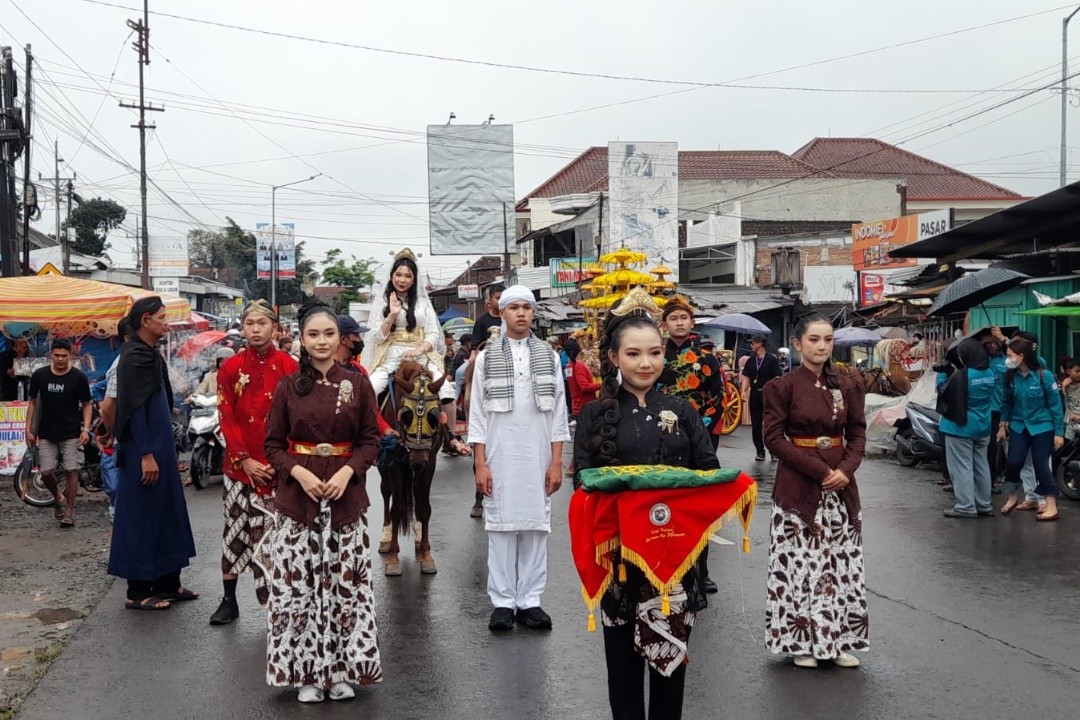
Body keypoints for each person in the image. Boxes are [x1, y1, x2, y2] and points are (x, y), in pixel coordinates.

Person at [573, 291, 721, 719]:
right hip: (621, 561)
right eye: (633, 354)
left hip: (675, 560)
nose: (646, 363)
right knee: (622, 671)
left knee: (669, 666)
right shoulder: (594, 415)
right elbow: (584, 480)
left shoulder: (682, 410)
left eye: (654, 353)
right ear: (614, 357)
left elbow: (708, 472)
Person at [263, 302, 382, 703]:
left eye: (329, 334)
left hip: (346, 499)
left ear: (340, 338)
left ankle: (345, 671)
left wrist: (348, 472)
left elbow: (370, 440)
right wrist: (300, 473)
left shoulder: (358, 384)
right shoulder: (287, 387)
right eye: (313, 334)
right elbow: (273, 445)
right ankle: (307, 675)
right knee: (299, 590)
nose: (322, 341)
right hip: (299, 500)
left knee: (347, 588)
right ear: (301, 338)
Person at [763, 313, 868, 668]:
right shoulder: (782, 387)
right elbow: (774, 439)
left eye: (828, 339)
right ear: (797, 344)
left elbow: (857, 433)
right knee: (799, 566)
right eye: (814, 339)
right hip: (798, 488)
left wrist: (845, 470)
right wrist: (821, 471)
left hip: (841, 488)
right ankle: (801, 643)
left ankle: (838, 641)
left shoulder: (848, 384)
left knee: (840, 566)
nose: (822, 346)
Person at [468, 284, 570, 631]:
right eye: (514, 307)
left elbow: (558, 413)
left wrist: (556, 462)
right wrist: (480, 463)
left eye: (527, 307)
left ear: (533, 313)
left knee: (535, 528)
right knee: (500, 529)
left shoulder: (549, 356)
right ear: (503, 312)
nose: (521, 313)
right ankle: (502, 602)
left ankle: (530, 600)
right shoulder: (486, 357)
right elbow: (478, 414)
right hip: (499, 453)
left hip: (538, 454)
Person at [210, 300, 299, 626]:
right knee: (235, 531)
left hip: (279, 469)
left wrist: (281, 460)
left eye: (263, 323)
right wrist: (244, 460)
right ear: (243, 328)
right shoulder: (230, 368)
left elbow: (297, 417)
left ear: (275, 328)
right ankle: (228, 600)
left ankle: (282, 604)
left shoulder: (290, 366)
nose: (256, 329)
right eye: (250, 324)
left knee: (279, 537)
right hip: (239, 469)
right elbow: (226, 416)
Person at [108, 296, 197, 611]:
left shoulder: (149, 353)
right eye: (161, 317)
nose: (166, 323)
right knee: (142, 516)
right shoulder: (133, 357)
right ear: (145, 320)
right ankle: (138, 591)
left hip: (161, 447)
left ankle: (167, 583)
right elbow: (133, 410)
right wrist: (146, 453)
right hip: (144, 450)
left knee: (167, 512)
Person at [361, 248, 467, 456]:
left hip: (421, 356)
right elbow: (377, 337)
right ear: (392, 276)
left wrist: (419, 349)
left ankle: (451, 438)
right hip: (390, 356)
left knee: (446, 390)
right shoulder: (382, 302)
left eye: (408, 276)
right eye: (399, 274)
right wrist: (392, 315)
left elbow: (433, 333)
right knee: (369, 388)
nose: (402, 280)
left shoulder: (423, 303)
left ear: (414, 279)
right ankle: (368, 438)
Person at [25, 338, 92, 527]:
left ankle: (69, 512)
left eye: (64, 355)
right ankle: (57, 497)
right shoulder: (40, 375)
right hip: (46, 432)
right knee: (46, 472)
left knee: (72, 470)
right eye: (57, 355)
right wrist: (28, 428)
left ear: (70, 355)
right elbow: (32, 402)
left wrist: (86, 429)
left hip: (71, 432)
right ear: (51, 355)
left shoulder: (78, 377)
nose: (60, 359)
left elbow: (87, 404)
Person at [997, 335, 1063, 521]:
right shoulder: (1010, 376)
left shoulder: (1044, 376)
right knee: (1013, 462)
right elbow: (1006, 402)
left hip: (1042, 425)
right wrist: (1002, 424)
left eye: (1010, 355)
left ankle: (1051, 506)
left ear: (1021, 356)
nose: (1008, 359)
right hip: (1019, 425)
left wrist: (1059, 432)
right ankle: (1012, 497)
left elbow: (1056, 406)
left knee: (1041, 464)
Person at [937, 339, 997, 518]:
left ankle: (966, 506)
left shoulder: (963, 376)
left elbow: (943, 392)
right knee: (981, 466)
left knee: (961, 467)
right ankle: (984, 504)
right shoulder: (990, 373)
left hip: (960, 428)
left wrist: (943, 375)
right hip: (982, 425)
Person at [741, 332, 783, 461]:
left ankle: (773, 451)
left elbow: (777, 377)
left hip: (768, 395)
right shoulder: (750, 361)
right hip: (755, 394)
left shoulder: (771, 359)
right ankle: (760, 451)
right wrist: (743, 391)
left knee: (770, 424)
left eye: (753, 343)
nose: (751, 345)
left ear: (760, 344)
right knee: (756, 425)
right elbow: (746, 377)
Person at [564, 337, 599, 418]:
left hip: (576, 407)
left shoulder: (568, 366)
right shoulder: (579, 365)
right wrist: (599, 385)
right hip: (586, 407)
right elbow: (584, 387)